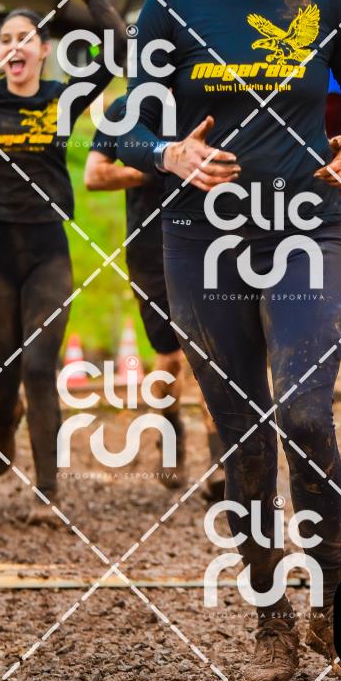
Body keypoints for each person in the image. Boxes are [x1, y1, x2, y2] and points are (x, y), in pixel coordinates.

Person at [117, 0, 341, 681]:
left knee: (305, 414)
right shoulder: (170, 6)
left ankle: (333, 601)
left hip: (305, 226)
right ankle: (271, 617)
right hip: (200, 239)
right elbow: (124, 128)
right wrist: (169, 154)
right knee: (241, 434)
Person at [0, 0, 126, 525]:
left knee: (40, 365)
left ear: (42, 51)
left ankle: (47, 492)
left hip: (46, 249)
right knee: (2, 375)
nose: (14, 46)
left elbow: (120, 53)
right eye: (5, 40)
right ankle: (3, 420)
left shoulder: (63, 100)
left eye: (25, 39)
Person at [84, 96, 225, 498]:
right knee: (170, 357)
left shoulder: (207, 97)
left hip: (209, 243)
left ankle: (221, 464)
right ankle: (170, 432)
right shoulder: (125, 111)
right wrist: (157, 166)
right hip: (150, 250)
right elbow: (94, 176)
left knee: (212, 354)